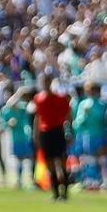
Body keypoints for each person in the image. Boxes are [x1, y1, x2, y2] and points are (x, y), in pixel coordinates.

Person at [32, 73, 72, 201]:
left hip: (58, 131)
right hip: (45, 133)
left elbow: (68, 116)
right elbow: (37, 118)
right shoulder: (38, 99)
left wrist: (70, 132)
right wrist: (36, 135)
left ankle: (64, 193)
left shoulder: (61, 98)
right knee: (50, 163)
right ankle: (55, 193)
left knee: (61, 162)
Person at [71, 83, 107, 190]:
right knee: (90, 159)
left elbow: (105, 120)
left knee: (100, 159)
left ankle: (103, 180)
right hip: (89, 137)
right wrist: (84, 115)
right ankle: (92, 180)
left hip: (99, 135)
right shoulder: (83, 104)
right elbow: (78, 123)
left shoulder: (102, 104)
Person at [2, 90, 36, 189]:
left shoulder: (23, 107)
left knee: (31, 158)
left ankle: (33, 179)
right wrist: (9, 124)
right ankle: (20, 180)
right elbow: (3, 122)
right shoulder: (6, 110)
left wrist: (19, 94)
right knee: (19, 159)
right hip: (16, 138)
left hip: (26, 137)